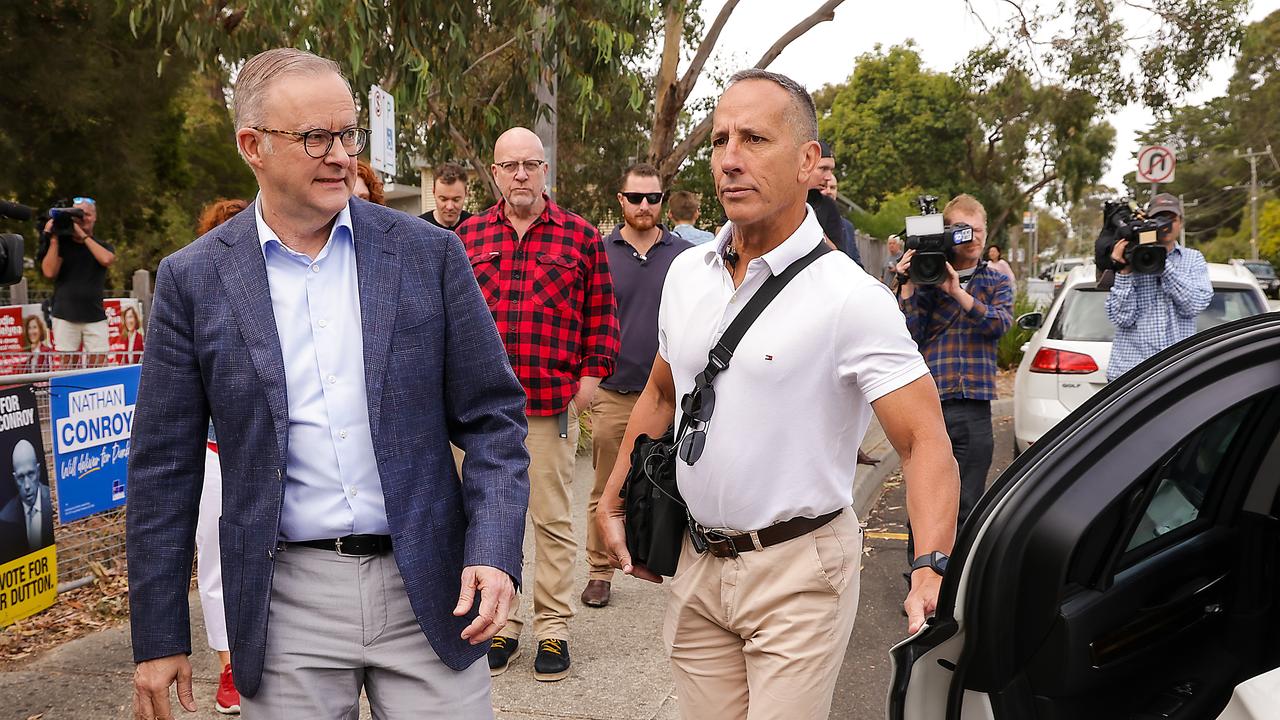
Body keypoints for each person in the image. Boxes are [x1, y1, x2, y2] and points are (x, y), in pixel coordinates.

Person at [126, 48, 531, 720]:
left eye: (348, 134)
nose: (341, 154)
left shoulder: (427, 254)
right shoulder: (193, 281)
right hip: (285, 606)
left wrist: (493, 551)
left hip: (431, 589)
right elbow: (163, 468)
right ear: (252, 146)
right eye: (316, 137)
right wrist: (159, 636)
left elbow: (493, 418)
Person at [597, 69, 959, 720]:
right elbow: (661, 388)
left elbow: (924, 440)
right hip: (697, 563)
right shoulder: (687, 274)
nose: (731, 160)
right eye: (720, 140)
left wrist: (931, 566)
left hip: (800, 574)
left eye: (755, 139)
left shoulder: (853, 300)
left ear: (807, 161)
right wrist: (613, 492)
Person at [456, 127, 619, 682]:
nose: (520, 174)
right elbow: (448, 323)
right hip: (477, 413)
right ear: (495, 173)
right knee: (486, 520)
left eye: (530, 164)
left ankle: (553, 629)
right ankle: (500, 626)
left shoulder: (580, 237)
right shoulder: (467, 236)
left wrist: (592, 376)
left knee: (550, 521)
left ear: (544, 169)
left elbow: (601, 313)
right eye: (509, 166)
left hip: (546, 405)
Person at [581, 164, 692, 610]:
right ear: (620, 200)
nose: (644, 205)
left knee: (678, 485)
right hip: (615, 390)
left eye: (653, 197)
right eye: (635, 197)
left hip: (677, 397)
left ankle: (677, 565)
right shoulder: (599, 252)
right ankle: (598, 571)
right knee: (608, 487)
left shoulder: (686, 257)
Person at [895, 194, 1013, 544]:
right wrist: (908, 285)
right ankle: (920, 583)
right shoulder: (923, 279)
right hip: (932, 405)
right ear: (947, 233)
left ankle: (953, 589)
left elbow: (1000, 325)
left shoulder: (996, 281)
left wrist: (957, 291)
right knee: (926, 503)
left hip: (976, 407)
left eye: (979, 230)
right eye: (964, 231)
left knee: (968, 504)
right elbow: (908, 336)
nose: (974, 238)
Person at [190, 197, 251, 715]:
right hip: (213, 450)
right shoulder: (195, 295)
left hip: (262, 452)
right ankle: (229, 662)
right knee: (213, 560)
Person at [1105, 193, 1212, 381]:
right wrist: (1124, 269)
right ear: (1149, 222)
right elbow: (1122, 318)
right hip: (1129, 373)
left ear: (1181, 223)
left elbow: (1193, 306)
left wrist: (1160, 261)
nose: (1166, 225)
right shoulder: (1132, 256)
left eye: (1171, 219)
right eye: (1159, 219)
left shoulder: (1193, 259)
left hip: (1177, 372)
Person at [36, 196, 115, 369]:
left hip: (94, 315)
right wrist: (54, 238)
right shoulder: (62, 245)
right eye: (78, 216)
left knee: (100, 366)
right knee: (66, 368)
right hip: (65, 315)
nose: (82, 219)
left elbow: (107, 259)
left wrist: (83, 235)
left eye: (86, 215)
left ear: (94, 217)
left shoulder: (102, 246)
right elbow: (49, 272)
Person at [808, 141, 862, 268]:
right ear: (806, 164)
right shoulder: (779, 202)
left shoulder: (828, 206)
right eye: (823, 169)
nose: (828, 177)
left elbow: (838, 256)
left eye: (831, 170)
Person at [12, 439, 53, 555]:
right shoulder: (6, 517)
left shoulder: (52, 505)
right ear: (14, 478)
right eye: (21, 477)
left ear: (38, 471)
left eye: (31, 474)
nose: (27, 486)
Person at [818, 168, 863, 269]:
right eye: (823, 188)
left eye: (833, 188)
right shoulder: (808, 223)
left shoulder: (847, 226)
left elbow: (856, 262)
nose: (829, 191)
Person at [421, 162, 473, 231]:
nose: (449, 207)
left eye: (456, 200)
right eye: (443, 199)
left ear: (466, 193)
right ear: (433, 192)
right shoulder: (419, 227)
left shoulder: (475, 226)